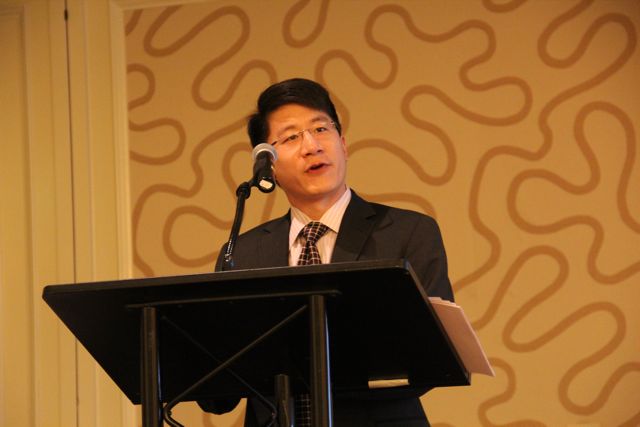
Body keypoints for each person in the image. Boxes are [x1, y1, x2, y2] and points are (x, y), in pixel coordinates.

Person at [202, 78, 454, 426]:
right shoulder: (242, 254)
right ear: (269, 166)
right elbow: (217, 396)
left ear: (343, 144)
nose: (311, 146)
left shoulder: (408, 233)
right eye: (291, 137)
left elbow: (431, 356)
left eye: (321, 129)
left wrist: (313, 364)